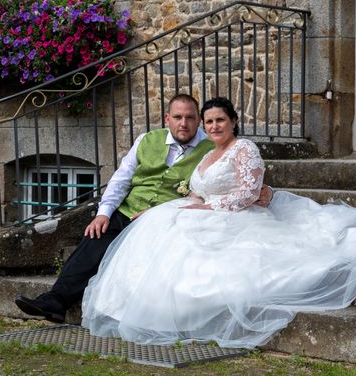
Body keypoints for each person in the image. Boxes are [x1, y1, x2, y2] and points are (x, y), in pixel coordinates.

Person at [81, 97, 356, 348]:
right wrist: (186, 205)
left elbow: (248, 192)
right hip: (206, 212)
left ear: (233, 121)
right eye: (209, 121)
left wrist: (208, 208)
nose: (215, 125)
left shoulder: (244, 148)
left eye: (220, 120)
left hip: (239, 217)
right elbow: (197, 190)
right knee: (160, 232)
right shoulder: (208, 154)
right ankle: (140, 305)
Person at [15, 94, 273, 323]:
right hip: (129, 210)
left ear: (198, 122)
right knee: (95, 236)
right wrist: (103, 212)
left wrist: (267, 191)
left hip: (163, 218)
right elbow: (121, 179)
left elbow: (240, 177)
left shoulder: (213, 146)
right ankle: (55, 300)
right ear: (167, 118)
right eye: (178, 117)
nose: (184, 123)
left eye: (191, 118)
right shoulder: (147, 140)